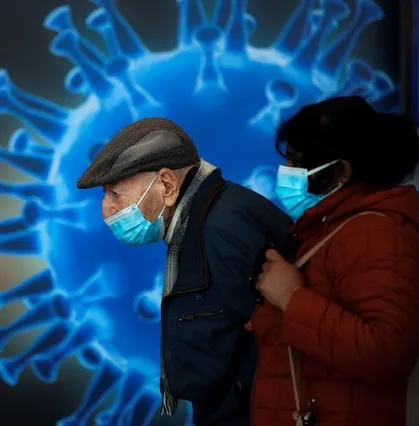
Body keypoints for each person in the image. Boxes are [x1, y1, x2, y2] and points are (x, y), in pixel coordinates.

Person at [76, 117, 293, 426]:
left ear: (166, 185)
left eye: (114, 193)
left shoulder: (222, 230)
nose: (106, 209)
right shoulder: (206, 219)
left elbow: (279, 342)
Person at [250, 96, 419, 426]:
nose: (288, 175)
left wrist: (291, 298)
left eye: (299, 165)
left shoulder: (376, 231)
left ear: (340, 172)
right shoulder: (330, 226)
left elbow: (385, 352)